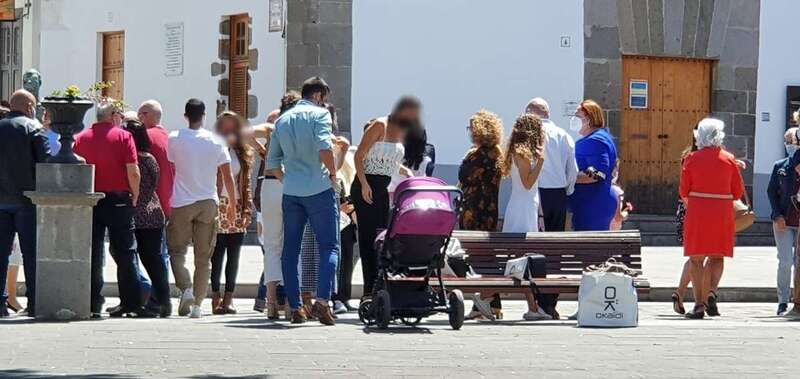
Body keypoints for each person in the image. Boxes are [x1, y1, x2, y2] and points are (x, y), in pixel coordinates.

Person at [265, 77, 340, 325]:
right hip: (319, 187)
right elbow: (324, 148)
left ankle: (296, 307)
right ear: (318, 95)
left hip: (292, 191)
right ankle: (321, 301)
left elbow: (273, 163)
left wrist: (289, 180)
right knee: (329, 246)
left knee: (291, 249)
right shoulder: (320, 115)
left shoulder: (282, 120)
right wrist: (333, 174)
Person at [74, 100, 150, 318]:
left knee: (94, 251)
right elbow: (132, 171)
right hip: (118, 199)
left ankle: (92, 302)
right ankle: (130, 303)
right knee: (126, 251)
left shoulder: (81, 138)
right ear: (114, 115)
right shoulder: (123, 137)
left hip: (91, 200)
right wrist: (135, 194)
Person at [167, 99, 237, 319]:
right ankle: (197, 305)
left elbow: (172, 165)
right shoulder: (216, 141)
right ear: (204, 115)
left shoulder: (174, 138)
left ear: (185, 115)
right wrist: (233, 204)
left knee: (176, 250)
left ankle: (185, 286)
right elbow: (227, 176)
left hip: (182, 201)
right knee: (203, 257)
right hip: (208, 201)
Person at [352, 96, 418, 301]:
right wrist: (363, 184)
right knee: (367, 239)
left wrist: (403, 170)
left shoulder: (402, 131)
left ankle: (381, 287)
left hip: (382, 187)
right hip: (366, 186)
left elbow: (385, 158)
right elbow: (360, 155)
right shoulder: (379, 125)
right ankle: (369, 290)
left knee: (382, 239)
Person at [680, 118, 744, 319]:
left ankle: (699, 305)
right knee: (717, 256)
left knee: (696, 259)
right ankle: (711, 293)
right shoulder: (729, 159)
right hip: (722, 212)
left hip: (698, 212)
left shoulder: (692, 158)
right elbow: (737, 192)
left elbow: (684, 190)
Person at [499, 114, 551, 321]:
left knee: (521, 260)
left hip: (527, 207)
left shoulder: (522, 152)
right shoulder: (522, 153)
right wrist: (541, 162)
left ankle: (532, 306)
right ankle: (484, 295)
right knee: (520, 259)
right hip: (521, 209)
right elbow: (528, 183)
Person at [0, 90, 48, 317]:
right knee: (31, 252)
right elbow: (45, 162)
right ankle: (36, 303)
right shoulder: (33, 128)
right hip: (27, 200)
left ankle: (1, 305)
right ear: (29, 106)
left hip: (1, 201)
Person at [253, 91, 299, 318]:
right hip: (292, 183)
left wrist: (262, 151)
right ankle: (292, 303)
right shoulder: (300, 126)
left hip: (270, 185)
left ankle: (271, 303)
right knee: (293, 243)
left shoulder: (274, 127)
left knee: (272, 244)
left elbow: (245, 132)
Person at [121, 119, 171, 317]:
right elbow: (155, 181)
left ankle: (153, 301)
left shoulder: (133, 160)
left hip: (138, 213)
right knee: (155, 260)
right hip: (154, 211)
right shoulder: (149, 158)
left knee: (142, 259)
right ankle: (162, 301)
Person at [210, 112, 254, 315]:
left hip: (236, 205)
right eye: (224, 128)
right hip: (219, 205)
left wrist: (247, 209)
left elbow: (246, 185)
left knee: (234, 255)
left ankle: (229, 297)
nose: (228, 132)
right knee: (216, 254)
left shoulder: (243, 153)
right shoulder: (213, 149)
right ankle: (215, 296)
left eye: (232, 128)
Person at [525, 98, 578, 232]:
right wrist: (568, 190)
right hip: (558, 193)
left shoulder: (529, 135)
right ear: (548, 114)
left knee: (536, 239)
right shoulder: (564, 135)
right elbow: (573, 170)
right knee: (555, 240)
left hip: (537, 192)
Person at [568, 100, 619, 231]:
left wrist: (569, 177)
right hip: (593, 203)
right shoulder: (601, 137)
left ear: (589, 119)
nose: (574, 119)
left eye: (578, 116)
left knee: (588, 248)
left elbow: (598, 174)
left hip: (592, 204)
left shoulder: (594, 141)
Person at [768, 127, 800, 316]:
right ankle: (782, 300)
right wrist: (777, 215)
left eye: (792, 142)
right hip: (784, 220)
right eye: (787, 142)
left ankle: (798, 297)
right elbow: (771, 191)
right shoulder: (781, 165)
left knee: (799, 262)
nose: (789, 145)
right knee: (785, 261)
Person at [459, 110, 504, 232]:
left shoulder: (478, 156)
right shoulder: (496, 153)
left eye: (471, 128)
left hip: (474, 211)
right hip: (490, 210)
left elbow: (463, 176)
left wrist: (467, 157)